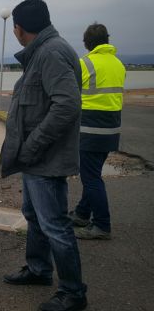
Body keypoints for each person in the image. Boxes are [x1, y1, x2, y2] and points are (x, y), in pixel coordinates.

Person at [0, 0, 87, 311]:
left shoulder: (50, 53)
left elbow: (67, 105)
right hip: (37, 159)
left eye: (15, 28)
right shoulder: (46, 51)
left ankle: (73, 292)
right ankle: (38, 269)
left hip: (44, 159)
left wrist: (32, 145)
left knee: (55, 225)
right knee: (35, 216)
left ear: (19, 29)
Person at [69, 23, 126, 240]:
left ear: (86, 44)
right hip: (112, 128)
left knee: (91, 178)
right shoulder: (119, 64)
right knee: (92, 173)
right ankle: (83, 213)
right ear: (107, 39)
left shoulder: (85, 63)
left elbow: (72, 94)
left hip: (90, 128)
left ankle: (102, 225)